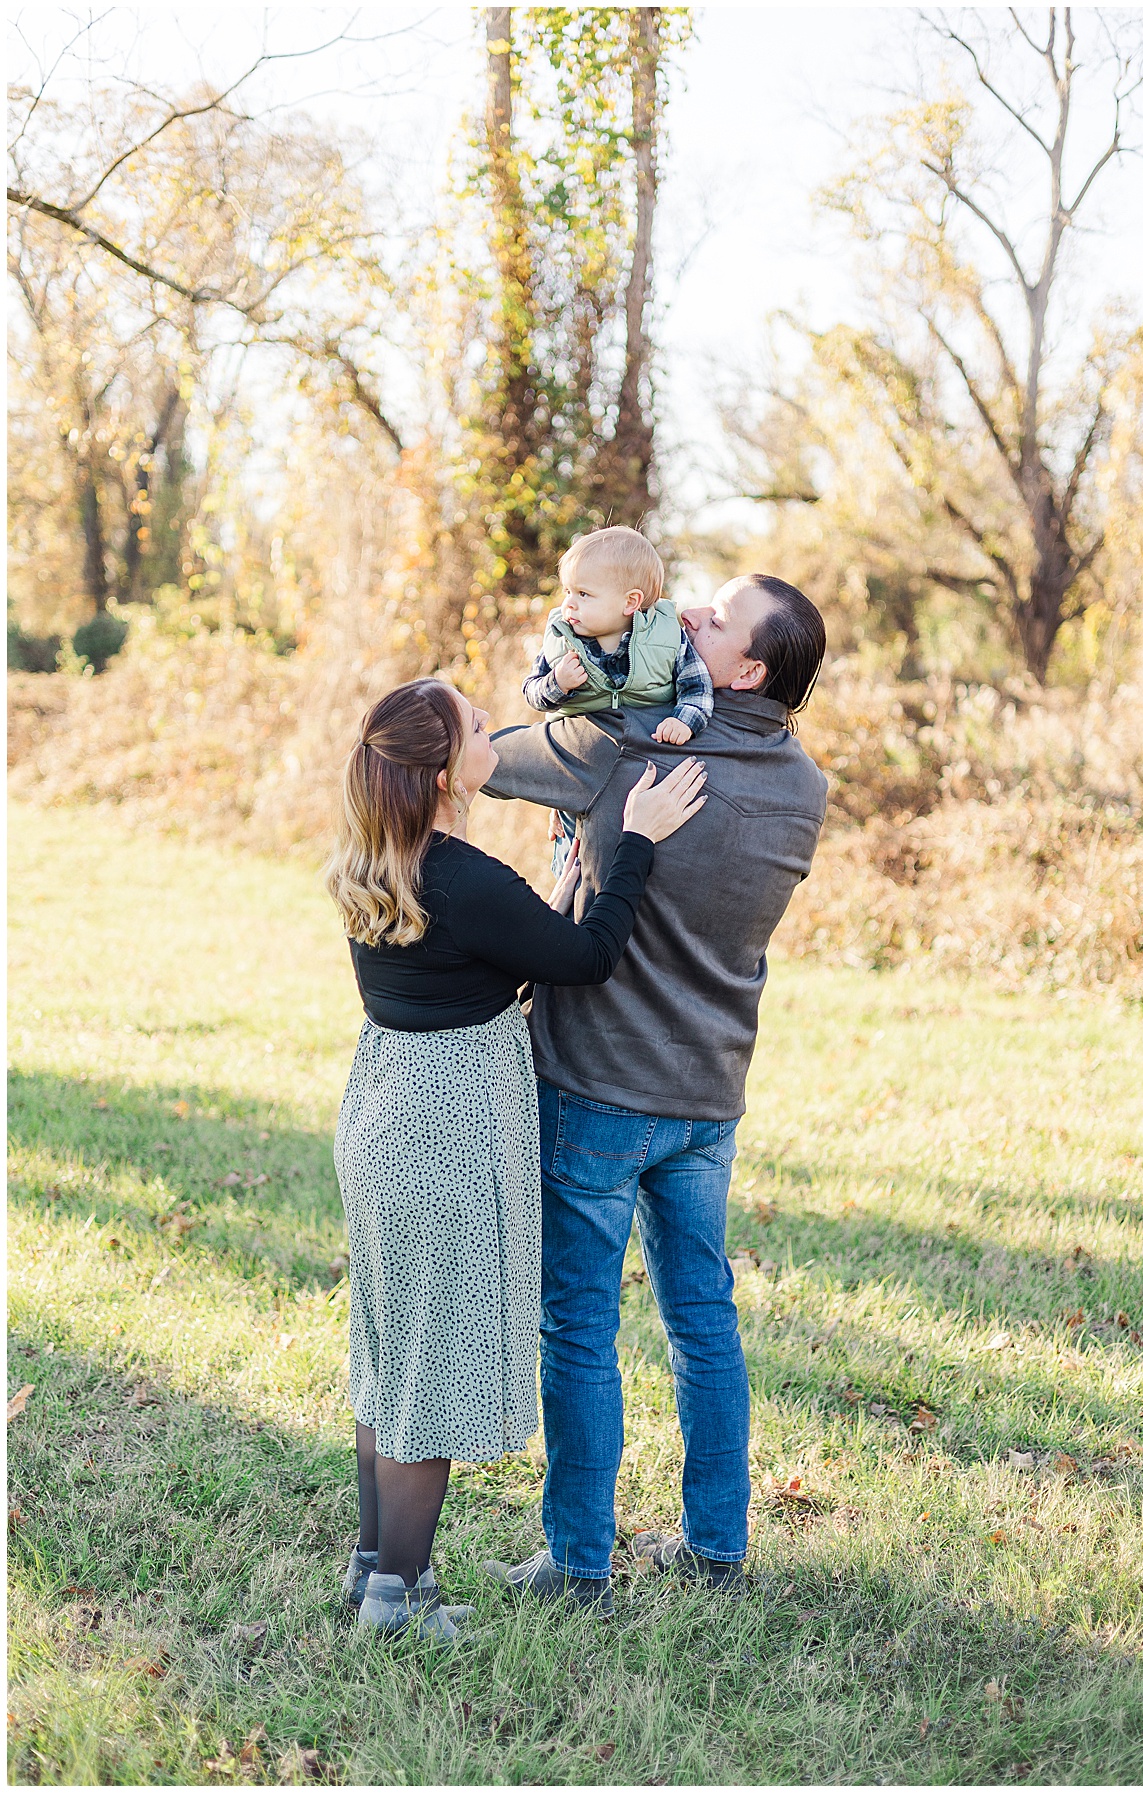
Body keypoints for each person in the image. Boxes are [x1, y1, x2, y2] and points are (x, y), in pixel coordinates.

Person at [324, 677, 708, 1645]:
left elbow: (491, 952)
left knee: (392, 1356)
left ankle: (374, 1565)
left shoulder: (380, 858)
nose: (495, 728)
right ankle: (397, 1602)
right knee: (435, 1374)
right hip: (447, 1132)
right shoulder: (463, 877)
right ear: (450, 772)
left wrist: (566, 876)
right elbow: (585, 957)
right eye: (472, 724)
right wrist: (637, 843)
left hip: (384, 1111)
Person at [480, 574, 827, 1614]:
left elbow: (483, 762)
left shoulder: (627, 746)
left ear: (749, 668)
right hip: (710, 1092)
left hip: (597, 1084)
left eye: (716, 619)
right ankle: (717, 1544)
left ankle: (578, 1562)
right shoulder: (807, 783)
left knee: (579, 1326)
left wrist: (569, 676)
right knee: (703, 1320)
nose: (690, 617)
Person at [523, 525, 714, 876]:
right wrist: (557, 683)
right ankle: (570, 906)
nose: (568, 603)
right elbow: (533, 693)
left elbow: (698, 688)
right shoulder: (562, 640)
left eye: (583, 593)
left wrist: (683, 719)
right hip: (578, 765)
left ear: (630, 602)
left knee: (633, 859)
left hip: (644, 773)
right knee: (574, 861)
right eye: (568, 590)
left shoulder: (669, 639)